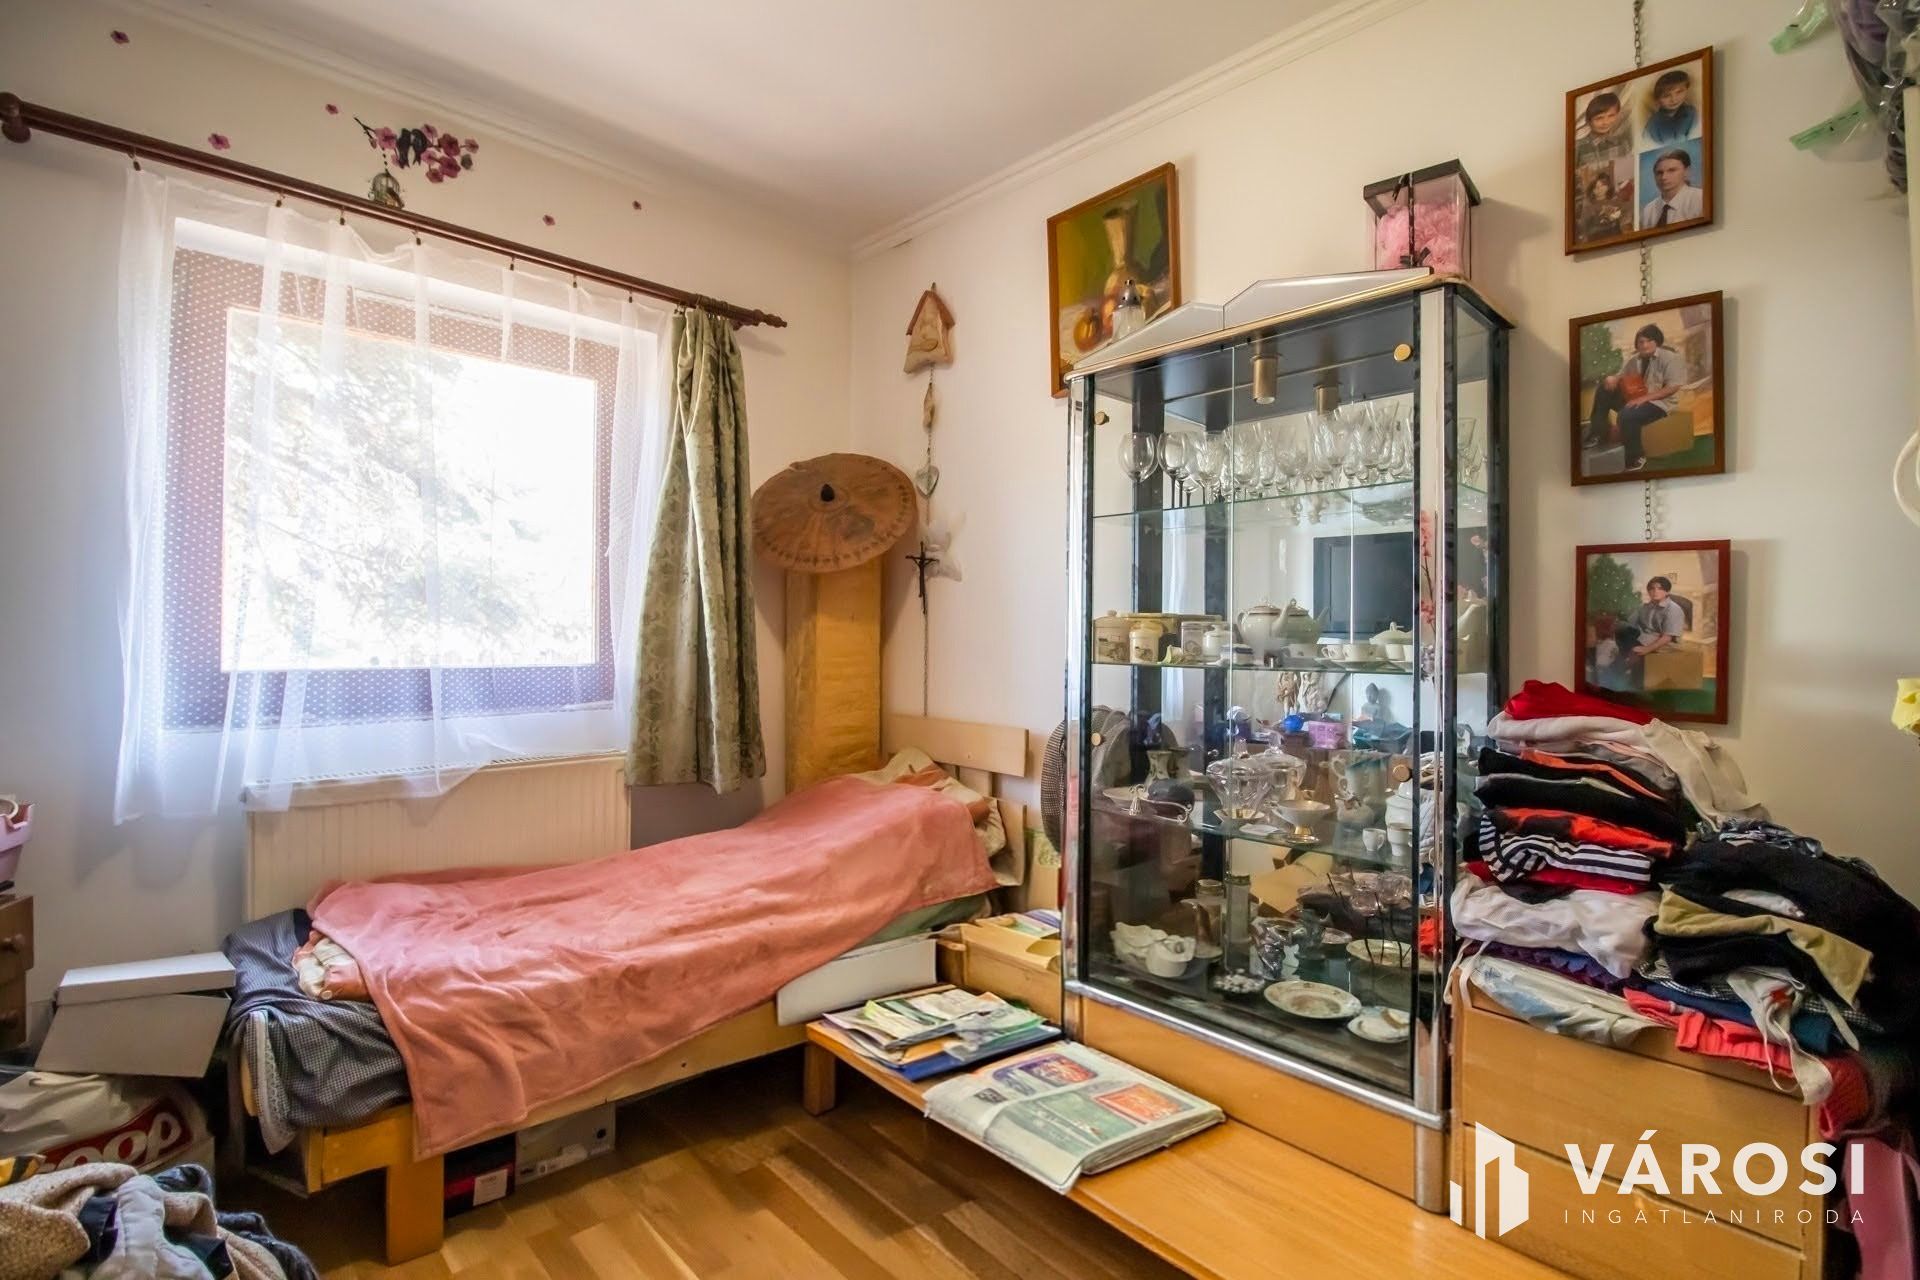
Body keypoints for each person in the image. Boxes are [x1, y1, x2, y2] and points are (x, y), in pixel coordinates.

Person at [1583, 323, 1688, 472]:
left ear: (1657, 341)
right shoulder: (1634, 360)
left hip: (1660, 403)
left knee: (1627, 414)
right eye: (1641, 342)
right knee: (1604, 389)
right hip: (1636, 398)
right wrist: (1613, 378)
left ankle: (1636, 456)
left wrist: (1643, 399)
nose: (1644, 345)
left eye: (1649, 341)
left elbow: (1673, 387)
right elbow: (1622, 376)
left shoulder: (1671, 358)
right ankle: (1598, 433)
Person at [1609, 577, 1686, 689]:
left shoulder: (1673, 609)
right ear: (1648, 591)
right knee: (1622, 627)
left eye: (1660, 588)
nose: (1655, 591)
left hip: (1665, 643)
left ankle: (1623, 667)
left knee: (1636, 650)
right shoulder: (1645, 607)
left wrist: (1647, 649)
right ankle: (1625, 661)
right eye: (1652, 588)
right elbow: (1630, 623)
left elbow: (1668, 637)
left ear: (1667, 591)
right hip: (1644, 638)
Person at [1640, 149, 1704, 227]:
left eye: (1671, 170)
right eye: (1659, 173)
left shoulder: (1700, 198)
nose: (1664, 177)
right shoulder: (1649, 209)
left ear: (1686, 171)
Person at [1576, 91, 1633, 166]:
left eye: (1611, 116)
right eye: (1599, 118)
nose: (1606, 122)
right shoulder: (1578, 147)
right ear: (1588, 121)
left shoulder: (1623, 144)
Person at [1643, 68, 1698, 144]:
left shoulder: (1691, 112)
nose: (1674, 99)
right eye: (1666, 96)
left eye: (1679, 92)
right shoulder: (1653, 125)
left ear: (1687, 90)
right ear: (1658, 100)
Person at [1576, 167, 1630, 244]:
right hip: (1597, 238)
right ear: (1592, 190)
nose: (1600, 189)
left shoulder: (1614, 200)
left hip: (1616, 236)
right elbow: (1584, 226)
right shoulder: (1589, 205)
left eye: (1603, 186)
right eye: (1597, 187)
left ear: (1608, 187)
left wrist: (1619, 217)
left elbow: (1625, 215)